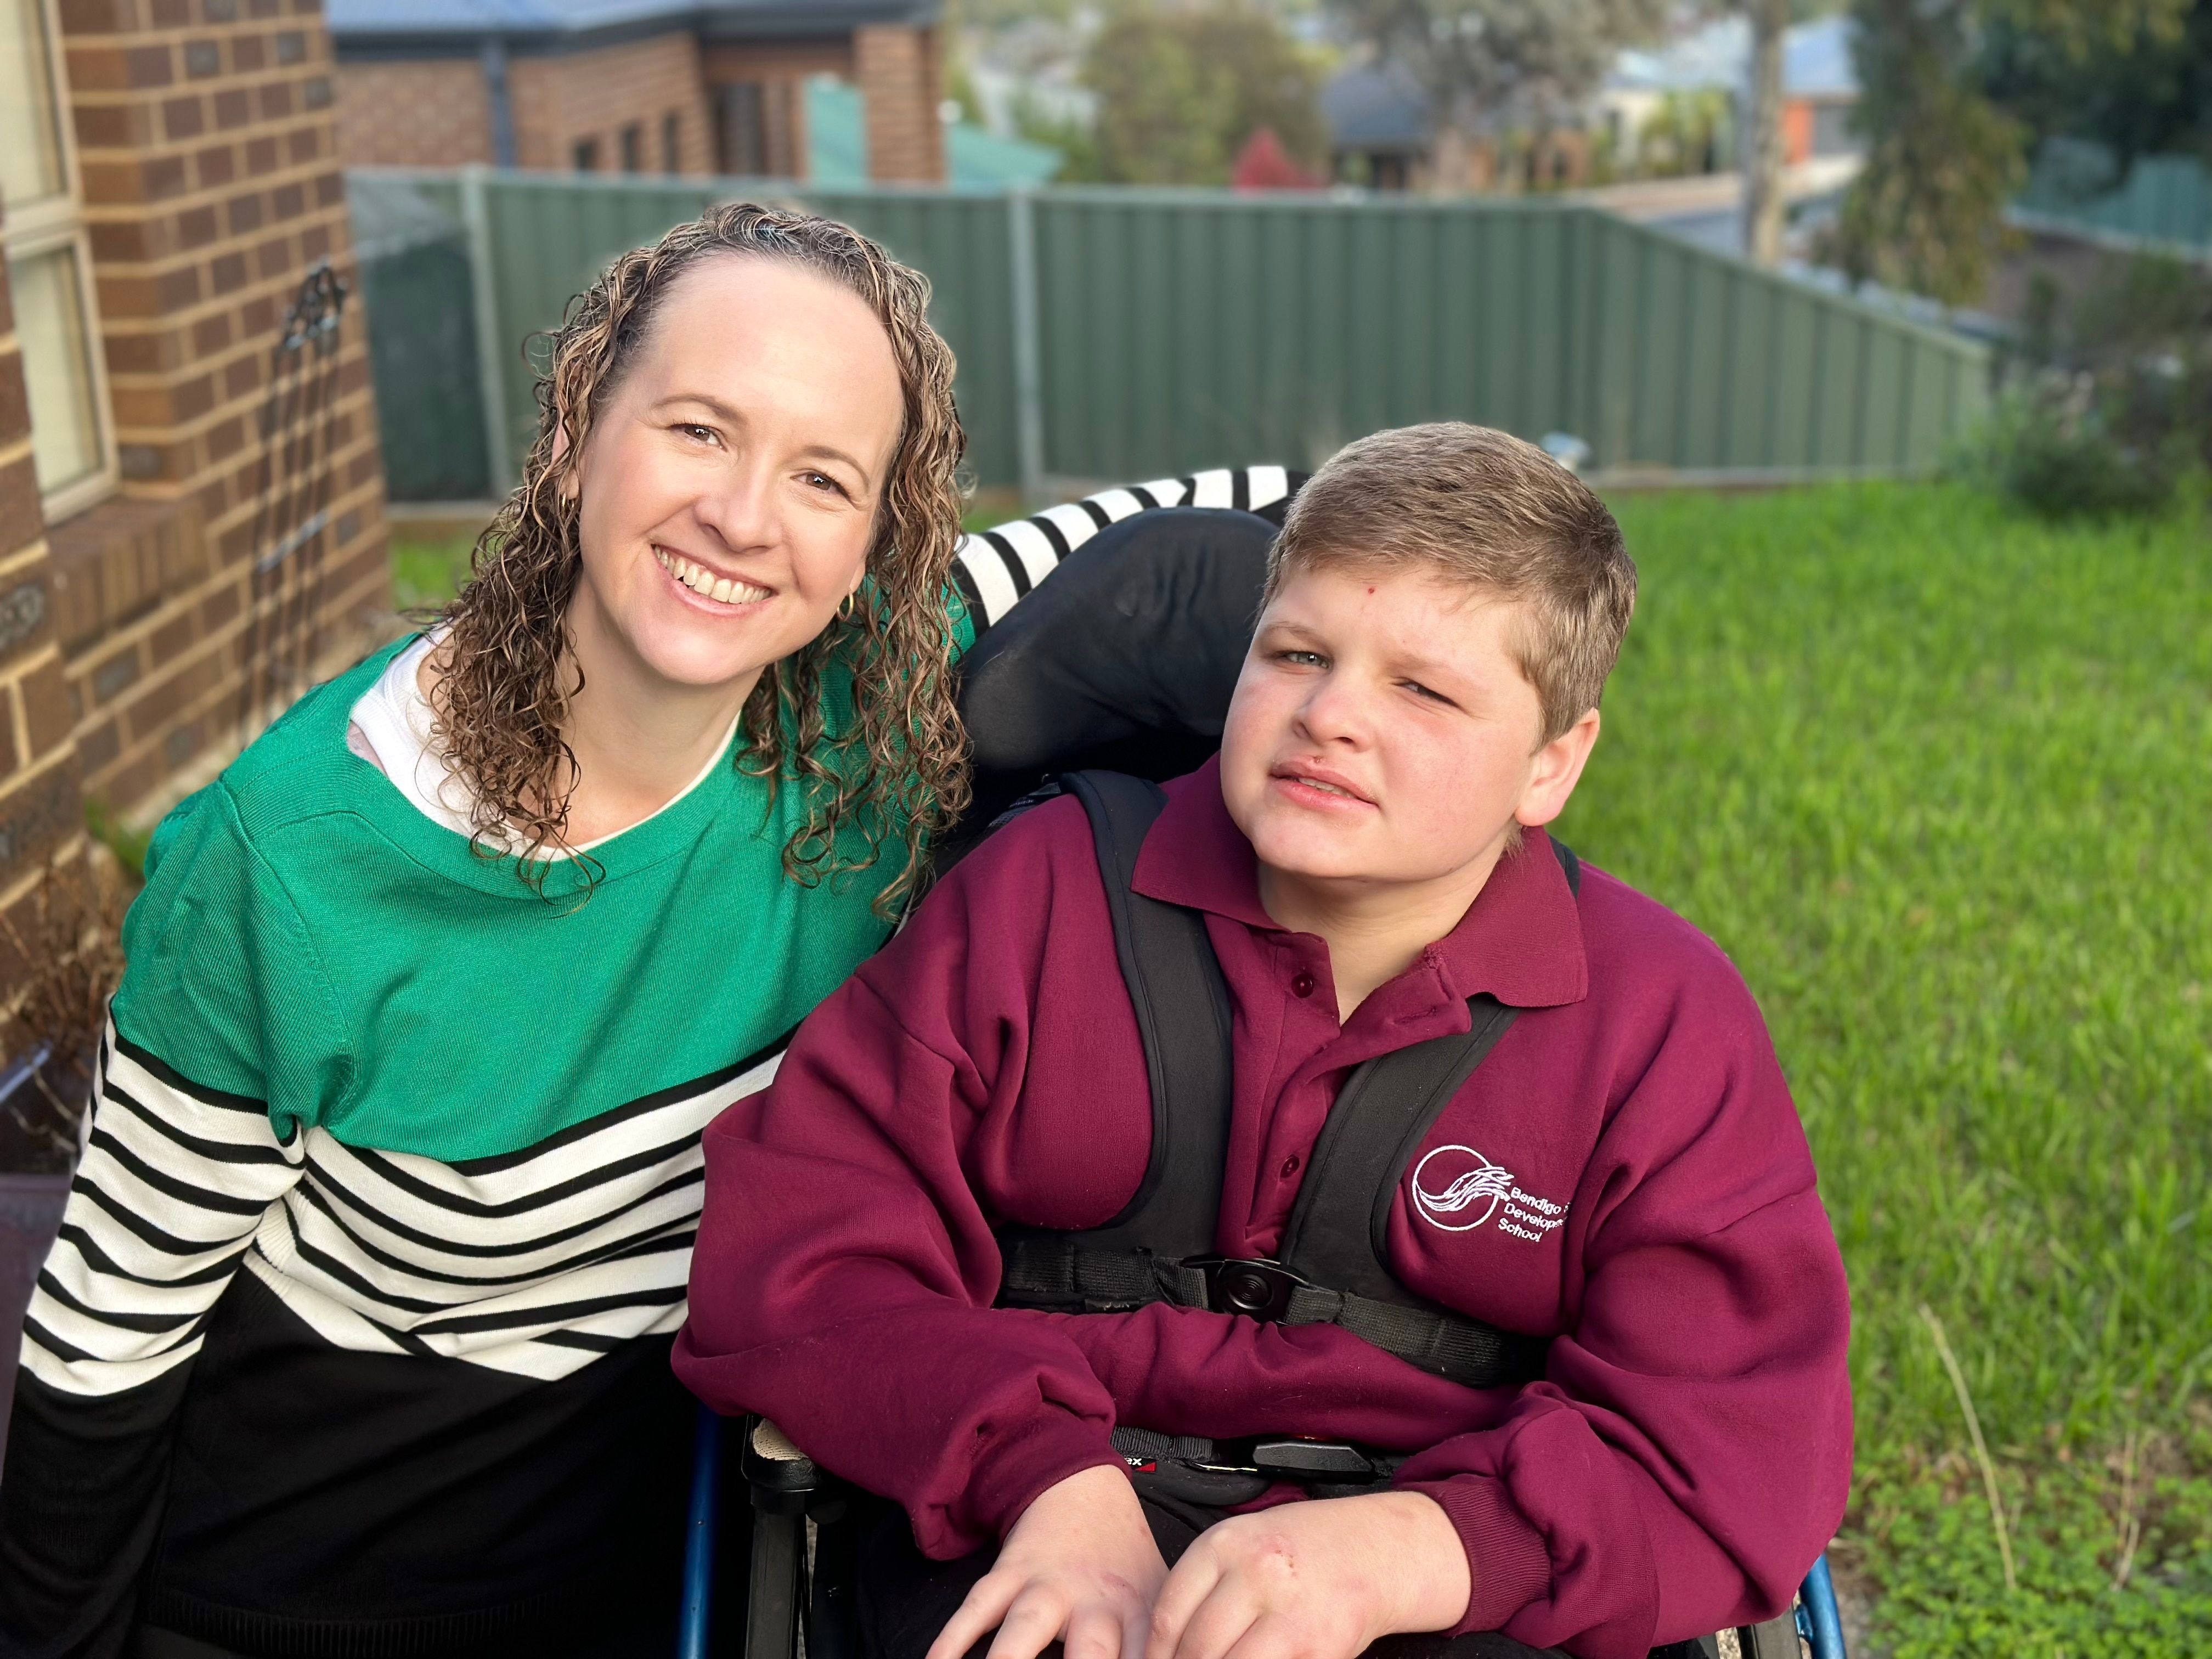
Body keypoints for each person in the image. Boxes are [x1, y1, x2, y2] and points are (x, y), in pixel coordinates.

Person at [0, 202, 1165, 1659]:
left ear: (880, 541)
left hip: (665, 1565)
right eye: (696, 429)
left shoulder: (866, 709)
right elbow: (114, 1321)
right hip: (307, 1585)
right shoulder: (296, 860)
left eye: (822, 475)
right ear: (573, 436)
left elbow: (1238, 531)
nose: (746, 517)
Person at [677, 424, 1854, 1659]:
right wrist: (1039, 1475)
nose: (1330, 714)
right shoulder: (1041, 894)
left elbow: (1732, 1443)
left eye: (1423, 687)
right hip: (1040, 1517)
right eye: (1298, 653)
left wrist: (1414, 1555)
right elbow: (800, 1253)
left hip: (1447, 1563)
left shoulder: (1662, 1025)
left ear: (1552, 763)